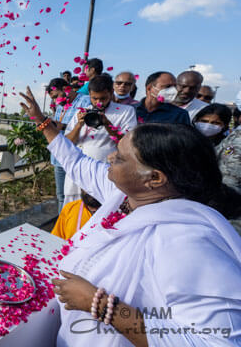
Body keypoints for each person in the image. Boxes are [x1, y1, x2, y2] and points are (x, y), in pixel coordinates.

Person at [19, 86, 241, 346]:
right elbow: (76, 162)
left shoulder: (189, 241)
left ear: (155, 178)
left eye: (122, 157)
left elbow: (217, 342)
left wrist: (99, 304)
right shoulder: (127, 195)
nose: (110, 156)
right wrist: (42, 121)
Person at [63, 75, 137, 204]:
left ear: (111, 92)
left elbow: (128, 144)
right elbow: (66, 144)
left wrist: (107, 124)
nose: (99, 103)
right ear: (89, 95)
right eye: (94, 98)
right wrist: (79, 125)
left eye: (103, 98)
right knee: (74, 214)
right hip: (77, 173)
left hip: (104, 175)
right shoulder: (81, 113)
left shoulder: (126, 112)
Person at [46, 78, 91, 211]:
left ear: (66, 88)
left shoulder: (85, 101)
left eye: (56, 96)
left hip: (75, 157)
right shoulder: (60, 106)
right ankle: (62, 226)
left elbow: (85, 127)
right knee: (61, 196)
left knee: (75, 197)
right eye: (53, 98)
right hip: (59, 158)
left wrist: (61, 126)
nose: (55, 101)